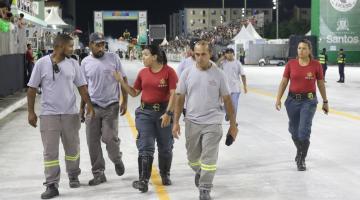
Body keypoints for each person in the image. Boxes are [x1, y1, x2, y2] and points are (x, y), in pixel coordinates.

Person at [27, 33, 95, 199]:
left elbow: (82, 87)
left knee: (72, 149)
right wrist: (31, 112)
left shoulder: (73, 63)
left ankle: (73, 175)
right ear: (58, 47)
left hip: (70, 114)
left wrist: (90, 107)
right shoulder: (42, 63)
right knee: (50, 152)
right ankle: (51, 184)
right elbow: (32, 89)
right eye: (70, 46)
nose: (73, 48)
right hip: (49, 115)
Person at [172, 40, 238, 200]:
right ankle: (200, 172)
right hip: (192, 121)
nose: (200, 58)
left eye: (203, 54)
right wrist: (175, 122)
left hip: (213, 122)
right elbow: (179, 98)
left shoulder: (219, 74)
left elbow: (227, 100)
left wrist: (233, 125)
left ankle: (205, 189)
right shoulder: (186, 73)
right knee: (193, 159)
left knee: (209, 158)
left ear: (210, 54)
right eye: (197, 54)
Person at [113, 45, 178, 193]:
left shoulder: (169, 72)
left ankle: (165, 173)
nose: (142, 57)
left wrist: (168, 114)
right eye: (142, 55)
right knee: (145, 145)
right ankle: (143, 180)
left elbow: (174, 94)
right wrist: (121, 82)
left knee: (165, 147)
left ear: (154, 57)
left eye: (145, 55)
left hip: (163, 113)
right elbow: (135, 92)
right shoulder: (142, 73)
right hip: (145, 114)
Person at [80, 32, 128, 186]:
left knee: (109, 138)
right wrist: (82, 108)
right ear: (90, 45)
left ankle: (116, 158)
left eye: (103, 44)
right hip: (92, 106)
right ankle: (99, 173)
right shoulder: (85, 62)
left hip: (111, 106)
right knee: (92, 142)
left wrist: (125, 101)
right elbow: (84, 87)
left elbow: (123, 79)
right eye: (97, 44)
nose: (101, 47)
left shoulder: (113, 58)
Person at [275, 39, 329, 171]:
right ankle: (300, 150)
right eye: (299, 48)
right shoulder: (291, 64)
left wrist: (325, 101)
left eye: (304, 48)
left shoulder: (316, 65)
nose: (301, 51)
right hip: (292, 101)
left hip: (309, 102)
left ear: (310, 50)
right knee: (294, 131)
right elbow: (283, 82)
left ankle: (301, 158)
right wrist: (278, 99)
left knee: (303, 130)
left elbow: (320, 84)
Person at [220, 48, 247, 121]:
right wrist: (221, 58)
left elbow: (243, 75)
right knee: (225, 106)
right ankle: (227, 113)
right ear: (225, 54)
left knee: (234, 105)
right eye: (227, 53)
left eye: (230, 52)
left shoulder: (237, 63)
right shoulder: (223, 63)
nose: (229, 54)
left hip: (235, 88)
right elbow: (214, 66)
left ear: (233, 54)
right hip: (225, 89)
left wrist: (245, 86)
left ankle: (233, 121)